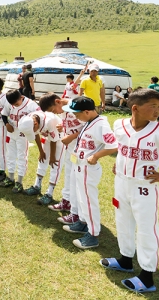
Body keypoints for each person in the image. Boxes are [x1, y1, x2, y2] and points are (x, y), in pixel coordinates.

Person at [100, 89, 159, 294]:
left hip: (144, 186)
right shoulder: (120, 125)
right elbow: (120, 147)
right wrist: (120, 164)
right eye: (152, 105)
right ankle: (125, 260)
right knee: (123, 220)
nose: (157, 110)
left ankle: (147, 276)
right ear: (135, 108)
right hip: (122, 182)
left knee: (146, 229)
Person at [61, 96, 118, 250]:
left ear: (87, 112)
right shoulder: (88, 122)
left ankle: (93, 235)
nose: (74, 116)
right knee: (80, 198)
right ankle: (83, 222)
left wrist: (96, 156)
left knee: (88, 201)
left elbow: (113, 145)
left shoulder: (101, 125)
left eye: (76, 114)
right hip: (79, 166)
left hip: (88, 168)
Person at [38, 93, 85, 223]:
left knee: (77, 179)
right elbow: (72, 126)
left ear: (58, 102)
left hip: (81, 149)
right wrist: (63, 127)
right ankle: (66, 201)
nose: (55, 113)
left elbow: (88, 126)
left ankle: (77, 211)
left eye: (53, 110)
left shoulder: (75, 107)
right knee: (68, 175)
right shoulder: (63, 111)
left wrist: (71, 136)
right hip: (71, 149)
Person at [2, 89, 41, 193]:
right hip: (11, 131)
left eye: (16, 103)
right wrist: (6, 124)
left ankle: (19, 182)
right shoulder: (9, 102)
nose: (14, 106)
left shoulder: (31, 105)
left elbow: (40, 117)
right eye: (12, 104)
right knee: (10, 155)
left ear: (21, 97)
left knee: (21, 156)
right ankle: (10, 178)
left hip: (22, 134)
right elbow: (4, 114)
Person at [22, 110, 64, 204]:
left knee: (55, 164)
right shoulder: (30, 119)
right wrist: (41, 151)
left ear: (36, 124)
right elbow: (36, 134)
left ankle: (49, 193)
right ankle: (37, 186)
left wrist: (52, 156)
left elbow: (54, 140)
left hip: (59, 140)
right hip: (47, 138)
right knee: (42, 160)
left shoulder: (49, 121)